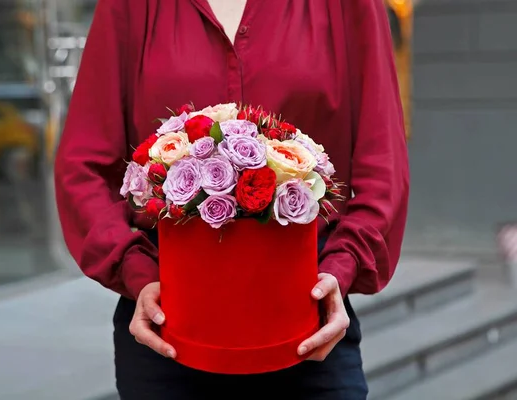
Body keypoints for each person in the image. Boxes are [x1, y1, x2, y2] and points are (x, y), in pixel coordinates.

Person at [54, 0, 409, 399]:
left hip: (307, 324)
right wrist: (135, 270)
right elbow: (82, 166)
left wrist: (342, 267)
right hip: (167, 325)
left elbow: (384, 164)